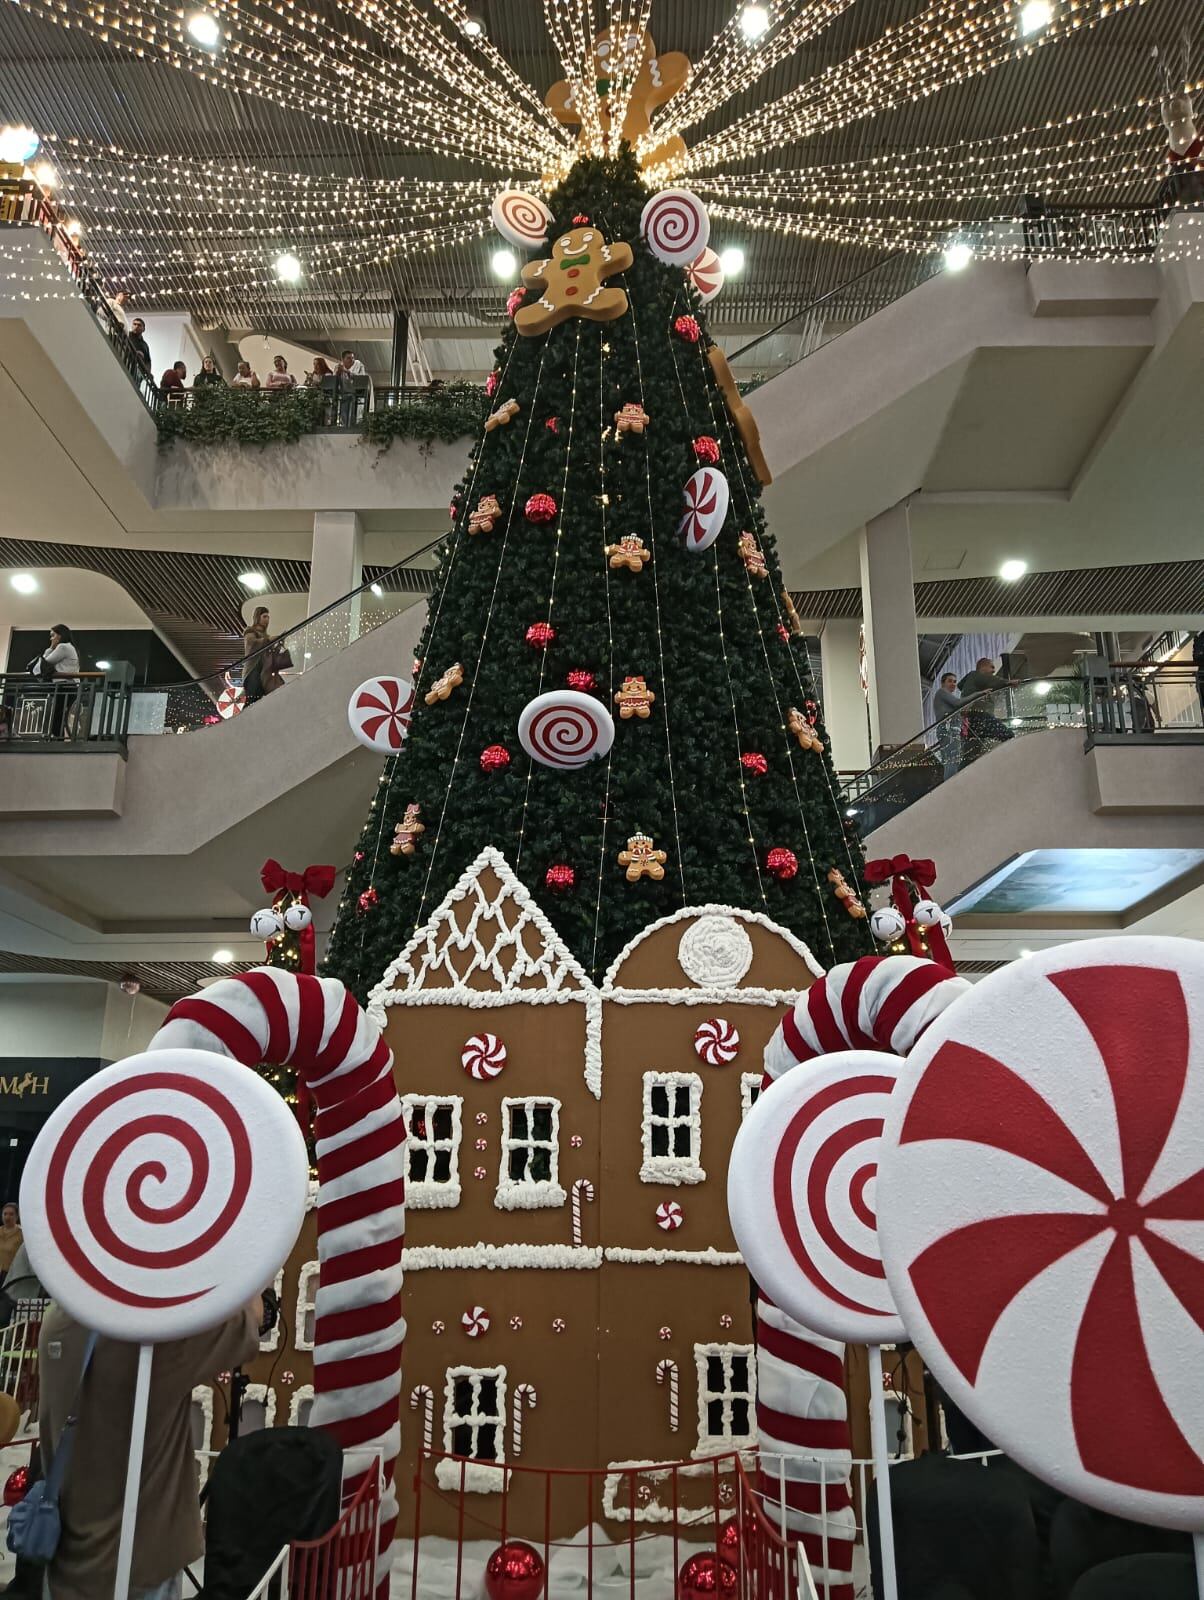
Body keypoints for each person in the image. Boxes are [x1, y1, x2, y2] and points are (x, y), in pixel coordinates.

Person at [38, 1294, 262, 1600]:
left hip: (64, 1562)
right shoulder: (151, 1341)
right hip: (141, 1567)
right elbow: (249, 1322)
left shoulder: (56, 1323)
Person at [958, 656, 1018, 756]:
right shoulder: (975, 675)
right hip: (979, 716)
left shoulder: (973, 684)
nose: (993, 671)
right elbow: (990, 680)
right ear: (982, 668)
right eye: (991, 667)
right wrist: (1007, 682)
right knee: (1008, 735)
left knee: (972, 752)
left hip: (969, 721)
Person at [30, 624, 80, 738]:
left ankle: (57, 738)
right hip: (69, 685)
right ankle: (58, 737)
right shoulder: (69, 647)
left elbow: (45, 663)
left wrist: (51, 648)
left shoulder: (63, 647)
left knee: (57, 714)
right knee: (60, 714)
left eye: (53, 635)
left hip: (64, 685)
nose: (51, 638)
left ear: (60, 635)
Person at [242, 606, 284, 702]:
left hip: (265, 670)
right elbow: (251, 643)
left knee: (278, 692)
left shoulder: (266, 636)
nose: (267, 620)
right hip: (253, 669)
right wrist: (269, 640)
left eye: (268, 617)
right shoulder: (250, 630)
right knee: (253, 699)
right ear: (257, 617)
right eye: (264, 616)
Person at [932, 672, 964, 779]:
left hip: (947, 730)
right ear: (942, 683)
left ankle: (949, 785)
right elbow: (958, 703)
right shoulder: (941, 692)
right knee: (953, 759)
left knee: (949, 760)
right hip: (949, 730)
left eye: (955, 681)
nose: (953, 684)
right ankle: (952, 785)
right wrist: (978, 694)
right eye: (950, 681)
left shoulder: (945, 697)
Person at [335, 349, 368, 424]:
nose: (351, 360)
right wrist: (338, 372)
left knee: (355, 415)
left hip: (357, 394)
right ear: (343, 359)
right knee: (344, 415)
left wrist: (346, 371)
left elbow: (361, 379)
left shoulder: (359, 364)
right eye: (348, 358)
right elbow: (335, 380)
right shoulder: (339, 366)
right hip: (344, 393)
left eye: (352, 357)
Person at [0, 1203, 21, 1286]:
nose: (7, 1217)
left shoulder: (22, 1234)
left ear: (17, 1216)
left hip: (11, 1275)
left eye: (11, 1214)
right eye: (5, 1214)